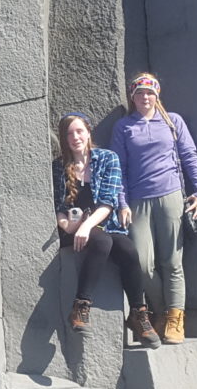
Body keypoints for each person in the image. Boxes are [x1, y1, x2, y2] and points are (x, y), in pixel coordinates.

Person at [111, 73, 197, 344]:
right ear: (132, 96)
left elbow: (190, 156)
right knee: (142, 262)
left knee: (173, 262)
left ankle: (175, 318)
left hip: (171, 195)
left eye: (149, 93)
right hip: (138, 201)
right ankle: (161, 310)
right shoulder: (124, 127)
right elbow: (118, 168)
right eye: (139, 93)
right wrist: (121, 202)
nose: (145, 98)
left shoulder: (172, 121)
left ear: (157, 95)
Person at [54, 112, 160, 348]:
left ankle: (138, 313)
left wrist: (87, 226)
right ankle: (81, 306)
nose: (75, 137)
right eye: (69, 133)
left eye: (79, 131)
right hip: (73, 228)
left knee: (129, 250)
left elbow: (108, 202)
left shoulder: (107, 158)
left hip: (102, 223)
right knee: (102, 243)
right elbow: (59, 207)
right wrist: (67, 225)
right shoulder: (59, 166)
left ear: (88, 132)